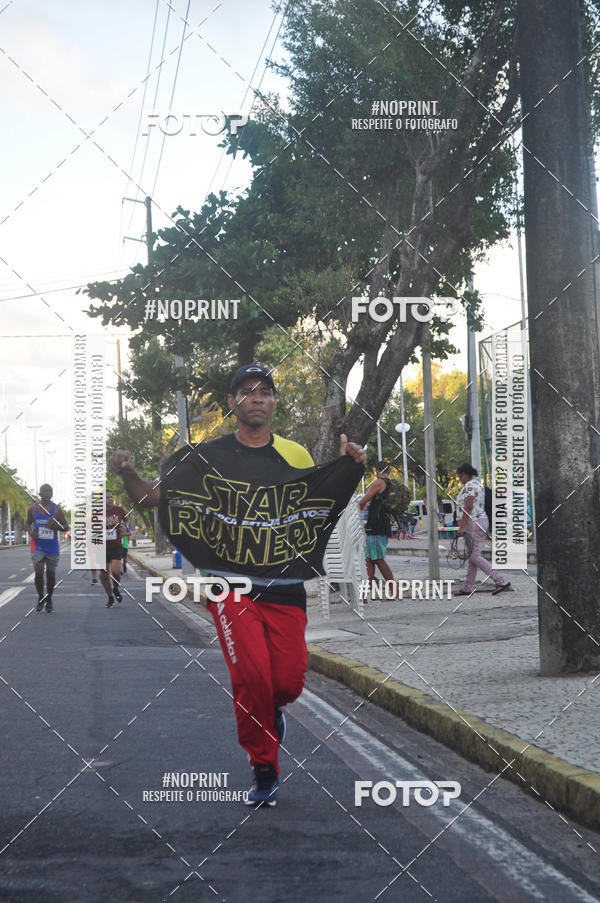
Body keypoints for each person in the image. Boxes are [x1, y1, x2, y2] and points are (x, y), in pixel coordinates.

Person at [108, 363, 366, 808]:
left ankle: (273, 713)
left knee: (285, 682)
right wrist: (128, 473)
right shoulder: (204, 457)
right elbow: (153, 496)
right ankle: (264, 768)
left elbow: (323, 501)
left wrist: (353, 467)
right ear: (233, 403)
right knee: (250, 677)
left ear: (275, 402)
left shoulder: (296, 456)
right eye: (248, 392)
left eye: (265, 391)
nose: (258, 398)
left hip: (285, 587)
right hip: (231, 588)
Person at [455, 462, 511, 596]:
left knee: (474, 556)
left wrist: (462, 527)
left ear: (464, 474)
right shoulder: (478, 485)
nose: (459, 479)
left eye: (459, 476)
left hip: (473, 523)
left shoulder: (469, 486)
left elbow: (468, 506)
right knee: (473, 556)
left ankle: (499, 580)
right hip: (481, 521)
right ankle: (467, 587)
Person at [26, 484, 69, 613]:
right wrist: (30, 532)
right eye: (45, 491)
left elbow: (66, 527)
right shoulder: (33, 509)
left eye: (50, 490)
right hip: (37, 545)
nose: (48, 493)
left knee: (50, 574)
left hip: (52, 546)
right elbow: (27, 523)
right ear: (40, 494)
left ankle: (49, 598)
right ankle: (40, 597)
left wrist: (56, 525)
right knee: (39, 572)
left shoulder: (57, 510)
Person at [359, 461, 396, 590]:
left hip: (376, 527)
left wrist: (357, 511)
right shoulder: (390, 484)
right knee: (369, 559)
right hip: (381, 525)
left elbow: (364, 500)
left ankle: (394, 592)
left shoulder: (379, 482)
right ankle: (365, 594)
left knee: (379, 559)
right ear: (389, 471)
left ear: (376, 471)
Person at [101, 491, 128, 608]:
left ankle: (115, 588)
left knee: (116, 572)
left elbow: (126, 520)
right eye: (107, 498)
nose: (110, 499)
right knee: (104, 574)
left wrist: (124, 527)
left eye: (111, 497)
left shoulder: (119, 510)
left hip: (116, 545)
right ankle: (110, 597)